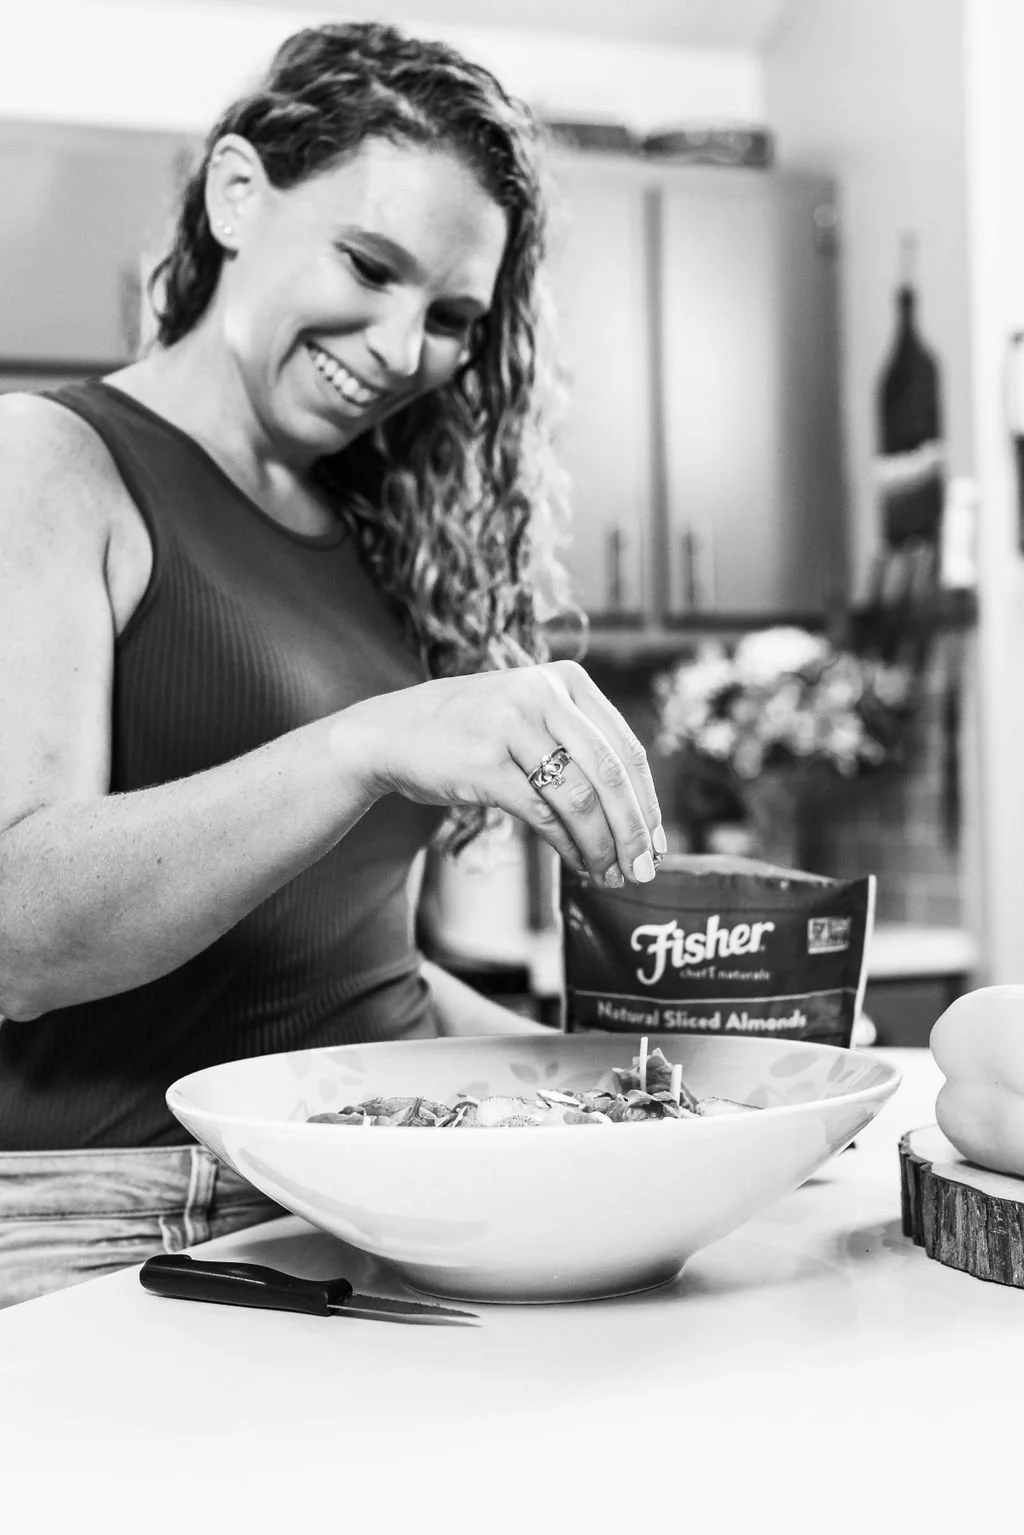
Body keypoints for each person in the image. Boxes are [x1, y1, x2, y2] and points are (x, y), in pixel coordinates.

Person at [0, 21, 665, 1306]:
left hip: (377, 1195)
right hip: (132, 1228)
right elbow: (17, 935)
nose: (402, 347)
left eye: (452, 316)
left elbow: (357, 979)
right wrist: (366, 741)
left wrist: (655, 1084)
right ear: (237, 193)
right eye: (370, 263)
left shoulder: (373, 542)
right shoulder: (51, 463)